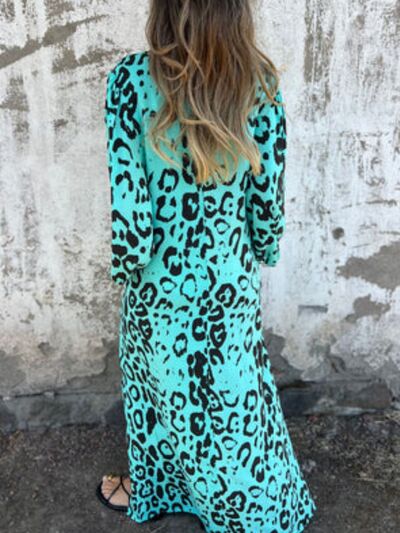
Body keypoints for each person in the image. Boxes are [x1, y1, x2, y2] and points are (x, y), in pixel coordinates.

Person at [96, 1, 317, 531]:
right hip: (228, 279)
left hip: (159, 283)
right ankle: (255, 499)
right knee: (233, 397)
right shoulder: (259, 84)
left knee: (160, 393)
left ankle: (162, 488)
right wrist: (263, 249)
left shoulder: (130, 81)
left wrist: (127, 268)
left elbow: (130, 211)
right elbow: (267, 197)